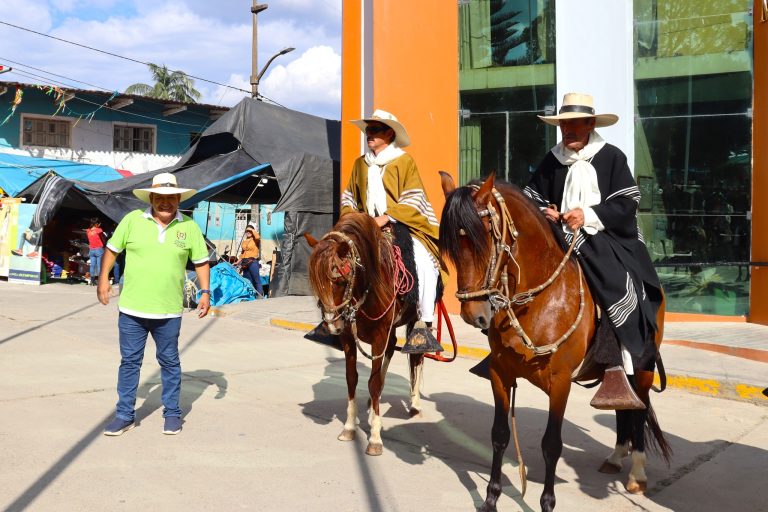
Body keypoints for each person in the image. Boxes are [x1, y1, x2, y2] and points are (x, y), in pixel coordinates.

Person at [524, 92, 663, 410]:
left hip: (608, 237)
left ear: (589, 124)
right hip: (560, 235)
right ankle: (504, 348)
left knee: (614, 283)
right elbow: (530, 195)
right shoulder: (552, 159)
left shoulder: (612, 157)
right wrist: (547, 211)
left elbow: (627, 204)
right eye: (563, 124)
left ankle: (622, 361)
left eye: (574, 124)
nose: (568, 130)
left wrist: (588, 215)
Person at [97, 172, 211, 436]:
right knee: (130, 362)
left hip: (169, 311)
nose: (165, 203)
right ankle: (125, 415)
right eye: (160, 197)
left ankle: (172, 413)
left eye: (171, 198)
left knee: (169, 361)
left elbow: (201, 261)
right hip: (132, 309)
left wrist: (205, 292)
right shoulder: (132, 220)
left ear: (178, 199)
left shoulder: (189, 227)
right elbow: (113, 249)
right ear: (151, 197)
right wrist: (103, 279)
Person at [341, 109, 444, 353]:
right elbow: (348, 198)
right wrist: (357, 220)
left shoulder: (403, 161)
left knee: (423, 262)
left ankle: (423, 323)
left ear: (389, 133)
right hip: (364, 227)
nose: (369, 134)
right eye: (368, 129)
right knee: (334, 256)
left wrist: (386, 217)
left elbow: (414, 199)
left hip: (400, 225)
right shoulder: (360, 164)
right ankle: (334, 318)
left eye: (374, 129)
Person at [236, 223, 264, 297]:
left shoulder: (255, 240)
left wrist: (251, 229)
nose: (248, 232)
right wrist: (238, 261)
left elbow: (258, 237)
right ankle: (250, 295)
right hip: (245, 262)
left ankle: (260, 294)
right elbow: (243, 252)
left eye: (249, 231)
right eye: (246, 231)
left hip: (252, 262)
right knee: (248, 280)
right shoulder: (244, 241)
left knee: (256, 279)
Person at [85, 217, 106, 286]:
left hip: (91, 250)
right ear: (96, 224)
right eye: (99, 224)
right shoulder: (99, 230)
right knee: (99, 266)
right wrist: (105, 244)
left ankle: (92, 281)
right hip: (99, 249)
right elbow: (103, 239)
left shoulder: (88, 231)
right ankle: (100, 281)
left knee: (92, 266)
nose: (100, 225)